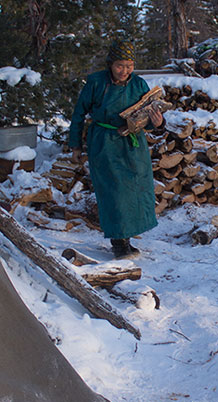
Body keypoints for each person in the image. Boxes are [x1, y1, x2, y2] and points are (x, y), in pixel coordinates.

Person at [68, 39, 164, 259]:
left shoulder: (139, 84)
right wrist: (75, 145)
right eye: (120, 65)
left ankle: (127, 237)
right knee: (114, 191)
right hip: (105, 141)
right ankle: (118, 242)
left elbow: (146, 115)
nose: (125, 71)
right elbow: (78, 114)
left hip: (133, 142)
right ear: (110, 63)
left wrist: (157, 123)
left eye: (129, 65)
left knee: (137, 187)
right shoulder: (96, 83)